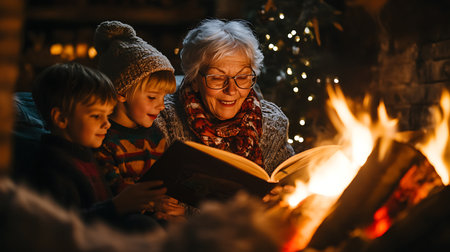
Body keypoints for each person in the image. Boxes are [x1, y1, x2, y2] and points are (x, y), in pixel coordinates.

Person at [29, 62, 166, 231]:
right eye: (96, 116)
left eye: (108, 115)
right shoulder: (51, 165)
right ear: (61, 119)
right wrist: (117, 206)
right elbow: (59, 228)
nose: (107, 124)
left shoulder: (87, 155)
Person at [155, 19, 295, 176]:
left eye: (242, 77)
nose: (231, 90)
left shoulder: (273, 124)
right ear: (194, 79)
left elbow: (289, 182)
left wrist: (284, 192)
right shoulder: (163, 119)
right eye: (217, 78)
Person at [93, 21, 185, 222]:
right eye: (152, 97)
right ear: (121, 92)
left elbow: (164, 181)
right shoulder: (103, 137)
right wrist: (153, 204)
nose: (161, 106)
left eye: (163, 98)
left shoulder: (156, 135)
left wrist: (171, 205)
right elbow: (113, 190)